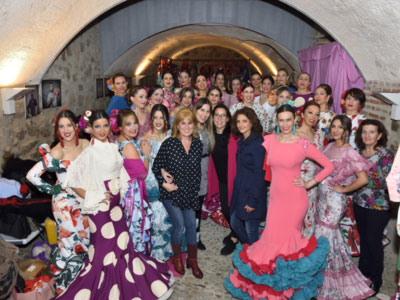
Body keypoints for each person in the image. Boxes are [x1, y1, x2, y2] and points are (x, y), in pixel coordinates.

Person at [57, 110, 173, 299]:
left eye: (105, 125)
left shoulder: (111, 147)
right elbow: (72, 181)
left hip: (116, 206)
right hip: (99, 209)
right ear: (90, 130)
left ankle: (125, 287)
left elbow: (122, 172)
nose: (102, 130)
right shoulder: (89, 153)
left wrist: (121, 188)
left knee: (122, 246)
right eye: (97, 127)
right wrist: (95, 195)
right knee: (103, 252)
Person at [225, 104, 333, 300]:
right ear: (277, 121)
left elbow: (328, 165)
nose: (284, 124)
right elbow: (250, 148)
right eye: (281, 120)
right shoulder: (269, 141)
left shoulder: (303, 143)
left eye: (288, 120)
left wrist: (310, 182)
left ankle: (290, 290)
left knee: (289, 245)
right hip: (275, 199)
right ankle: (273, 289)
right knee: (271, 241)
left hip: (295, 200)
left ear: (294, 121)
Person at [27, 109, 90, 295]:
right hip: (64, 205)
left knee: (85, 239)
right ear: (58, 131)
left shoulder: (86, 144)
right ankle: (65, 286)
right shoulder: (57, 151)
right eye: (61, 127)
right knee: (70, 243)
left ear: (76, 126)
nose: (66, 130)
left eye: (69, 125)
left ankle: (82, 281)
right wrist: (52, 189)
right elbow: (31, 175)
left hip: (84, 199)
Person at [314, 115, 374, 299]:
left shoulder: (349, 152)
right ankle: (321, 279)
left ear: (347, 131)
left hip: (334, 202)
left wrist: (344, 189)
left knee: (324, 237)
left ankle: (328, 283)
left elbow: (363, 179)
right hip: (321, 197)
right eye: (333, 126)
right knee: (328, 238)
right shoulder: (330, 146)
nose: (336, 130)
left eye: (340, 127)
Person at [152, 107, 203, 278]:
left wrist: (195, 192)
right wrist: (163, 182)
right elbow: (156, 166)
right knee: (179, 224)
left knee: (191, 225)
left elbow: (197, 172)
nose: (187, 126)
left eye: (190, 123)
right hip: (171, 192)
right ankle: (176, 258)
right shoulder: (169, 143)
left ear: (194, 125)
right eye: (183, 123)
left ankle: (192, 259)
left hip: (189, 193)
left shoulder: (197, 144)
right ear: (177, 125)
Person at [353, 119, 394, 295]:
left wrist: (363, 175)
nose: (367, 135)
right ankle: (363, 273)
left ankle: (376, 279)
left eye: (371, 132)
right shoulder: (357, 153)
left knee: (373, 241)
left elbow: (383, 183)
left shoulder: (386, 155)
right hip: (359, 202)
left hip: (379, 206)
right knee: (363, 239)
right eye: (364, 131)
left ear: (379, 135)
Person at [114, 109, 153, 255]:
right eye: (128, 124)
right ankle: (137, 260)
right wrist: (147, 155)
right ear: (120, 128)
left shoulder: (118, 142)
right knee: (136, 228)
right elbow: (143, 173)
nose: (133, 127)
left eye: (135, 123)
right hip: (132, 194)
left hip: (123, 191)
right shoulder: (128, 146)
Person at [229, 107, 266, 245]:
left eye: (244, 121)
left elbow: (259, 174)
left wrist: (253, 200)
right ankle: (251, 252)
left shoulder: (257, 143)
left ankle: (255, 259)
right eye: (238, 121)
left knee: (251, 230)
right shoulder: (243, 141)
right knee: (234, 221)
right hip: (241, 190)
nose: (241, 124)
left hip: (252, 192)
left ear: (252, 122)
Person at [142, 104, 174, 261]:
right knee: (157, 218)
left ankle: (168, 250)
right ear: (151, 120)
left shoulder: (171, 137)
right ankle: (157, 254)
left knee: (170, 217)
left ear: (166, 120)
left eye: (162, 117)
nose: (158, 121)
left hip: (170, 179)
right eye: (155, 117)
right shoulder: (145, 139)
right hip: (153, 182)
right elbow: (144, 166)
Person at [340, 88, 368, 256]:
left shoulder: (363, 120)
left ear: (360, 103)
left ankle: (354, 243)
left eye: (355, 99)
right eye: (348, 98)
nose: (350, 102)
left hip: (356, 166)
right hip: (340, 166)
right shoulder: (339, 118)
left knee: (353, 204)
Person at [208, 104, 238, 255]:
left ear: (227, 119)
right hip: (221, 179)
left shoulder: (233, 136)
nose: (219, 118)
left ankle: (235, 237)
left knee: (232, 210)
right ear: (213, 118)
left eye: (223, 115)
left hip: (234, 179)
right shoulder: (210, 135)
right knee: (226, 209)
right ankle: (235, 232)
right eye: (217, 115)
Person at [295, 101, 323, 238]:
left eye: (317, 114)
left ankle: (304, 249)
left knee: (308, 218)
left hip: (312, 184)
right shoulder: (294, 133)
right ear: (302, 113)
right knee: (293, 217)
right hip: (295, 181)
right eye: (310, 112)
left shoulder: (319, 135)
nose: (313, 116)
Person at [192, 98, 215, 250]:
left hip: (204, 169)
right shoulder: (189, 128)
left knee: (198, 206)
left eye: (207, 111)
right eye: (202, 110)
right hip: (191, 170)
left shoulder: (208, 130)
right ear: (196, 110)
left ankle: (196, 236)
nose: (204, 114)